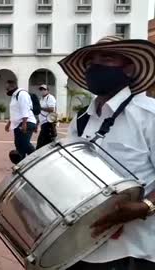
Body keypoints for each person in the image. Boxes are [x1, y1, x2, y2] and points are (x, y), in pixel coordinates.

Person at [58, 35, 155, 270]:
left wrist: (145, 207)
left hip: (134, 252)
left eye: (107, 58)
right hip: (82, 250)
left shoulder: (149, 116)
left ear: (129, 68)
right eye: (91, 61)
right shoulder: (81, 121)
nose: (96, 65)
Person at [4, 79, 37, 160]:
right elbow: (14, 112)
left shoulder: (22, 94)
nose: (6, 91)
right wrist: (9, 123)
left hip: (27, 122)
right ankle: (20, 163)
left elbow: (24, 109)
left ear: (13, 87)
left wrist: (24, 123)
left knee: (24, 144)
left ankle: (36, 159)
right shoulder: (14, 96)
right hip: (18, 124)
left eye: (7, 89)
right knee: (18, 144)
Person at [36, 84, 57, 149]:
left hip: (48, 123)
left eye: (44, 89)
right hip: (43, 123)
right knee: (46, 143)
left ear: (47, 90)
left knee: (41, 143)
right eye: (41, 90)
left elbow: (51, 109)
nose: (42, 91)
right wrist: (37, 124)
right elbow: (40, 112)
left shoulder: (50, 97)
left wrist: (41, 108)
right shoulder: (42, 99)